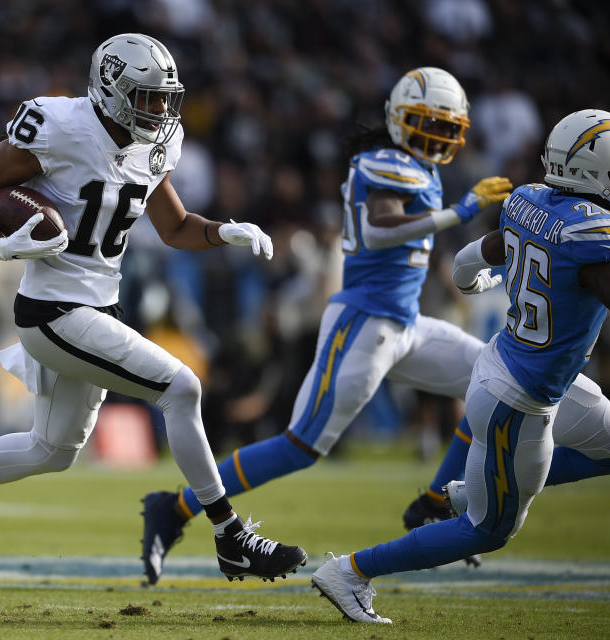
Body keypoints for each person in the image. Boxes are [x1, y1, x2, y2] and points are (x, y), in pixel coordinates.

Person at [0, 33, 308, 582]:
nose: (159, 109)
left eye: (163, 97)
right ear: (110, 89)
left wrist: (227, 231)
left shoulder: (155, 144)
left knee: (51, 450)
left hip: (97, 311)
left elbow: (174, 228)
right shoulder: (59, 126)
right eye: (147, 96)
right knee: (182, 388)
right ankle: (231, 536)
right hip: (53, 311)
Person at [139, 67, 516, 584]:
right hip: (362, 323)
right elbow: (382, 230)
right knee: (301, 446)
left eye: (449, 126)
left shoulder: (418, 166)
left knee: (496, 382)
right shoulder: (382, 161)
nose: (441, 136)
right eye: (430, 123)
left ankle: (432, 502)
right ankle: (175, 507)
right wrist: (460, 212)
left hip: (407, 322)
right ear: (401, 121)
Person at [310, 108, 610, 623]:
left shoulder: (528, 200)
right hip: (519, 399)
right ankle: (352, 571)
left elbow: (469, 260)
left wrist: (476, 286)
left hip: (514, 368)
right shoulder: (592, 237)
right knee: (489, 530)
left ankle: (472, 488)